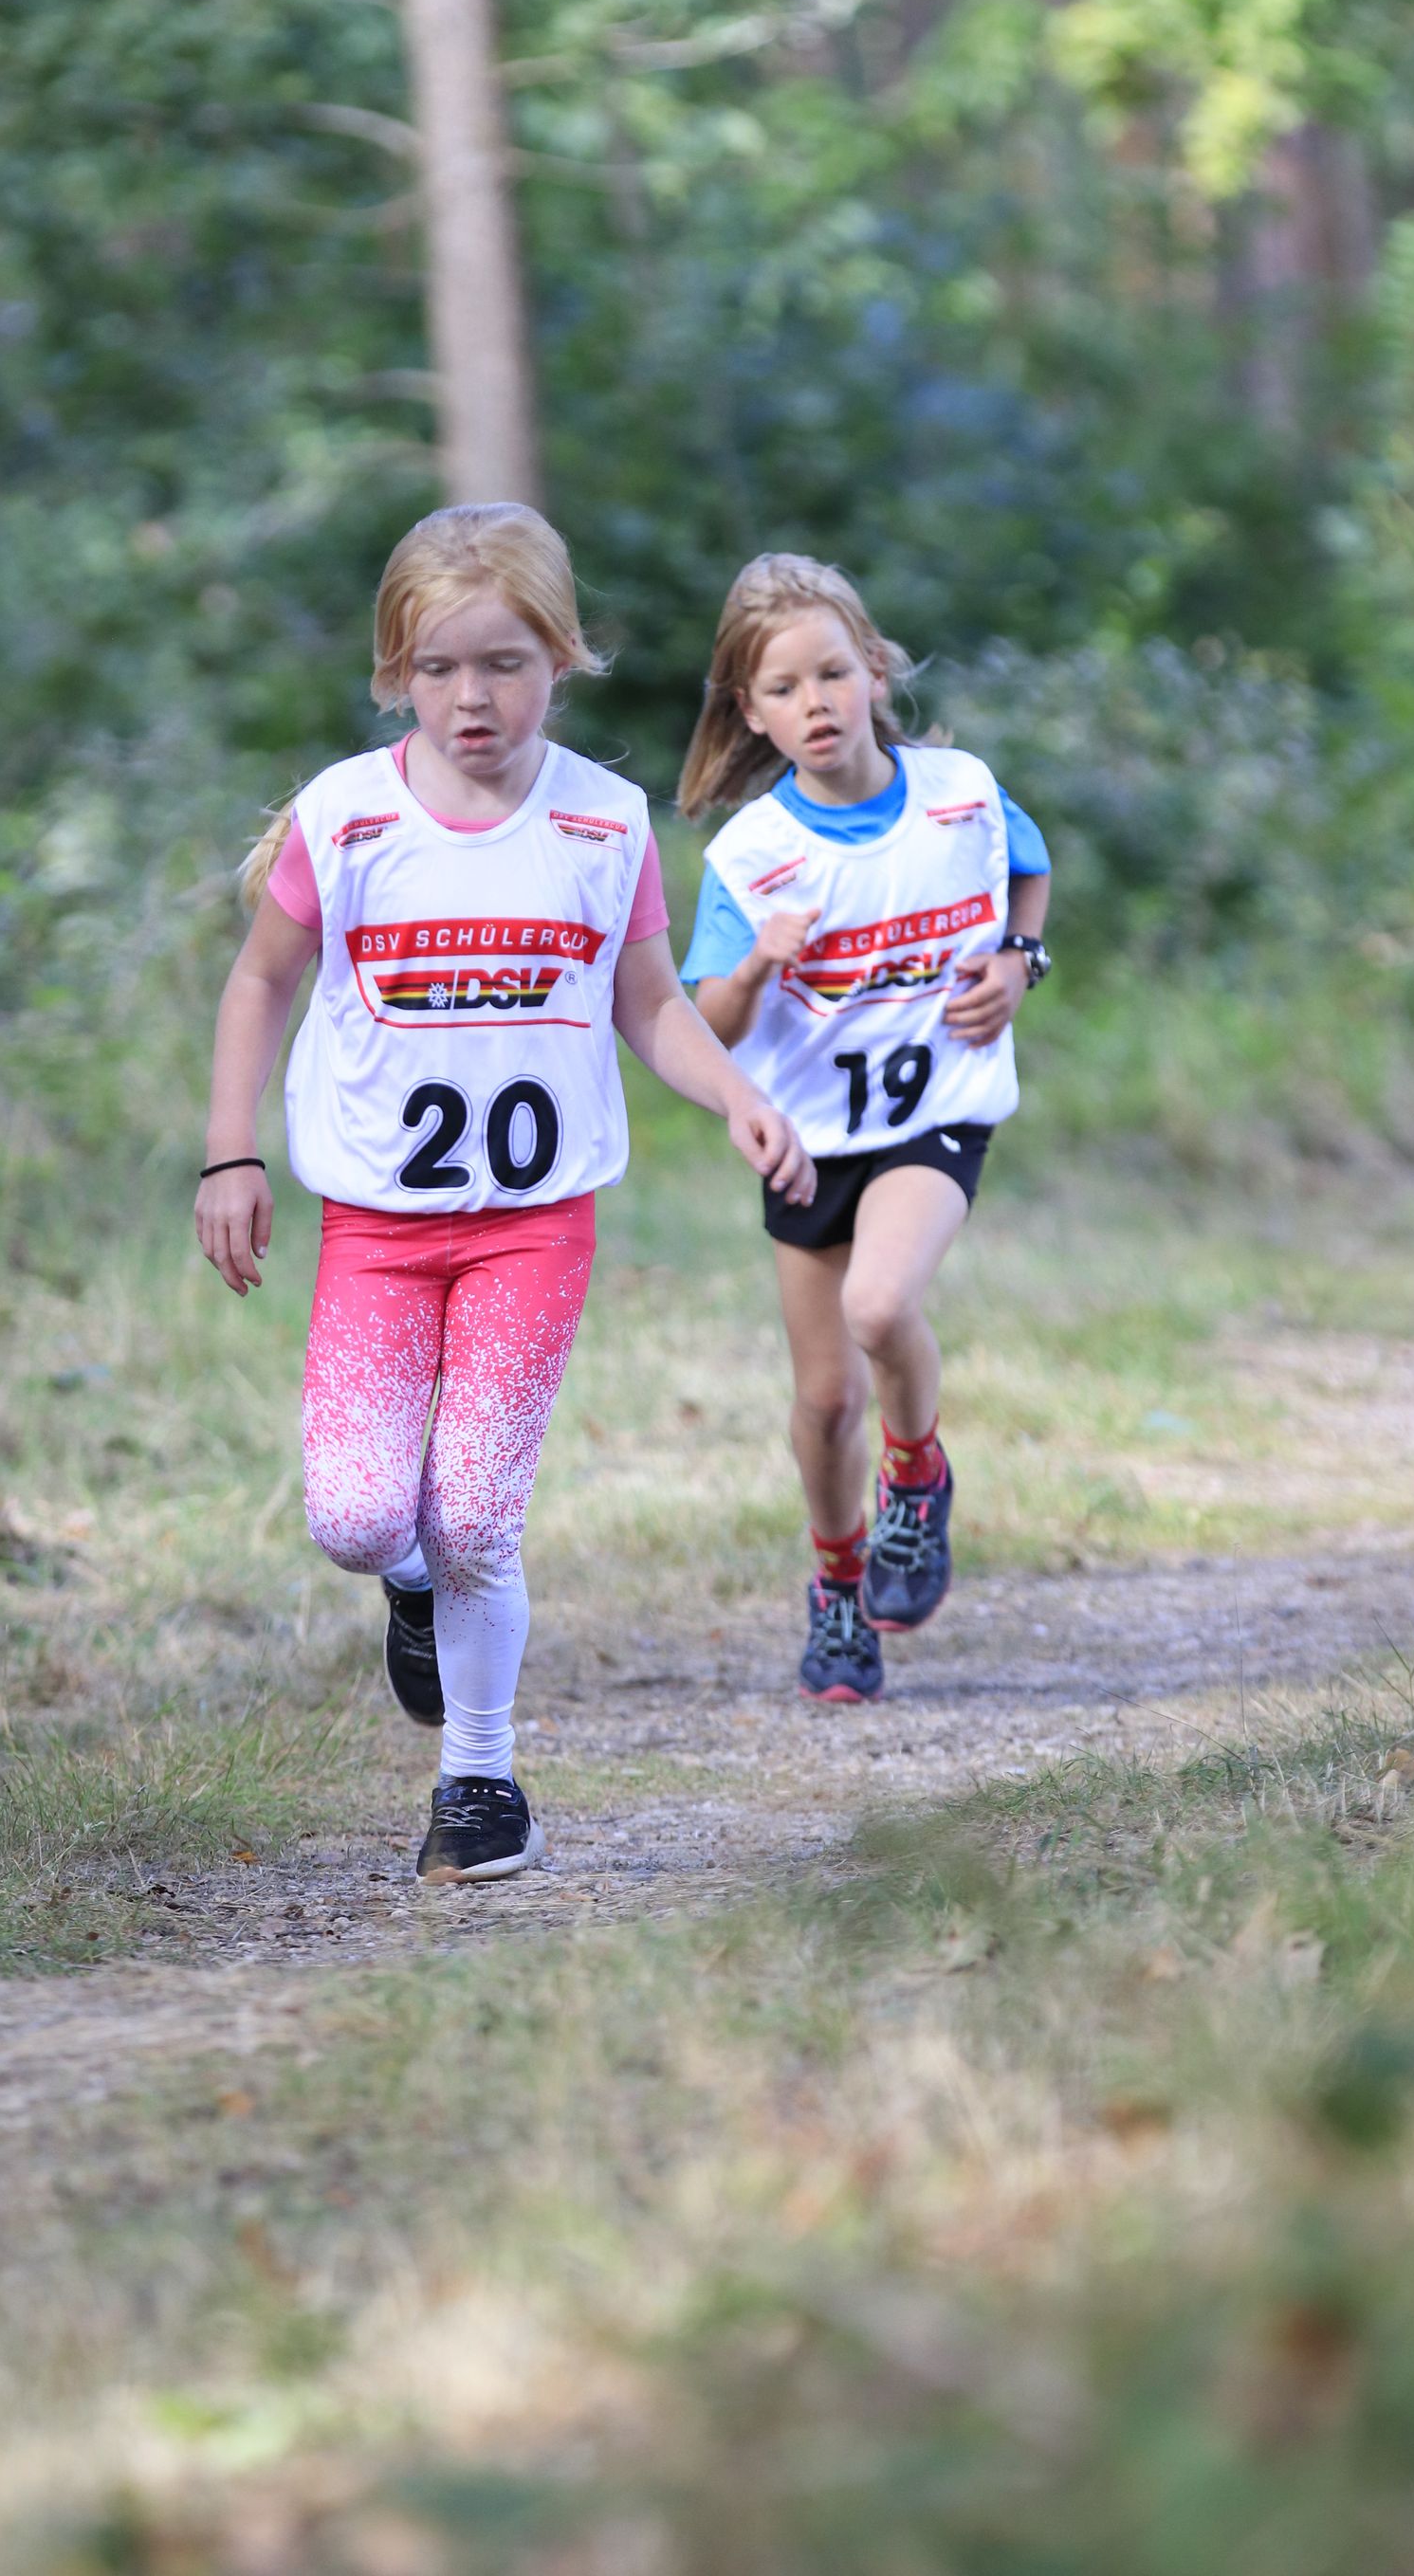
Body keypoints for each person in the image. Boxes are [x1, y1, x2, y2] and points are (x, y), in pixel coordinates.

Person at [197, 503, 814, 1882]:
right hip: (375, 1226)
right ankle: (408, 1586)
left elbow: (648, 1005)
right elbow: (259, 983)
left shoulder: (601, 821)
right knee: (360, 1521)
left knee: (476, 1511)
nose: (471, 698)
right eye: (438, 668)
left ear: (561, 659)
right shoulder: (345, 818)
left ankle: (479, 1780)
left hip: (533, 1227)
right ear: (395, 674)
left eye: (504, 665)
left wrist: (738, 1097)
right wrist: (230, 1153)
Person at [678, 553, 1052, 1706]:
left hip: (934, 1113)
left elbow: (1026, 869)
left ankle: (916, 1477)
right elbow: (707, 1022)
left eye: (832, 674)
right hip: (807, 1139)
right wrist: (756, 963)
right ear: (750, 711)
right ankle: (837, 1588)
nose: (816, 703)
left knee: (880, 1305)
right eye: (783, 688)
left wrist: (1017, 960)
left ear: (874, 671)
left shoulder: (958, 793)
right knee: (826, 1397)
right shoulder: (750, 856)